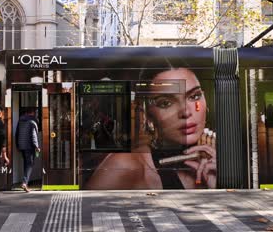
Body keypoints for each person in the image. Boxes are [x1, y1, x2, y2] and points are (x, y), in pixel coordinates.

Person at [85, 68, 216, 189]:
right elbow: (79, 212)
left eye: (194, 96)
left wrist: (218, 188)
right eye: (165, 103)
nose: (186, 112)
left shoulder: (217, 161)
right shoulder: (126, 166)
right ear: (148, 116)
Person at [15, 107, 40, 192]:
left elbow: (17, 133)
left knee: (26, 163)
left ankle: (25, 181)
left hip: (22, 146)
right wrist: (36, 146)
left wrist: (17, 145)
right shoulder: (32, 122)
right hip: (29, 146)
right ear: (32, 113)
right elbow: (34, 135)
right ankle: (25, 183)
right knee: (29, 164)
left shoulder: (20, 120)